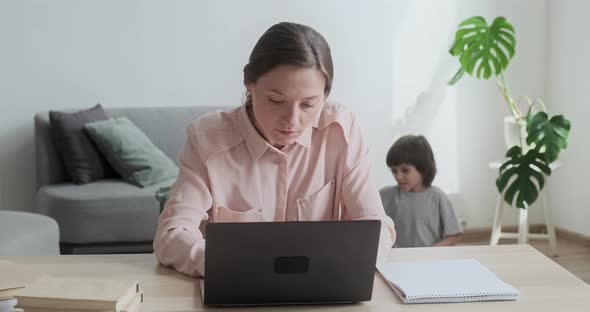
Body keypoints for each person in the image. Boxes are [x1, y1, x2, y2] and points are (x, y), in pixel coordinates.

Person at [153, 22, 396, 277]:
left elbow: (375, 226)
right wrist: (227, 264)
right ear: (249, 83)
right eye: (277, 101)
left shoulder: (341, 132)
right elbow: (171, 235)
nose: (292, 121)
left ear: (324, 96)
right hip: (236, 288)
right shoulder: (206, 139)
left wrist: (350, 263)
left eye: (308, 104)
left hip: (321, 291)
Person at [379, 135, 462, 248]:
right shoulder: (385, 196)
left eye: (405, 170)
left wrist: (430, 253)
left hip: (428, 261)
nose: (398, 176)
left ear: (423, 168)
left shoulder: (438, 197)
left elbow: (454, 235)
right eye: (394, 170)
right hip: (396, 260)